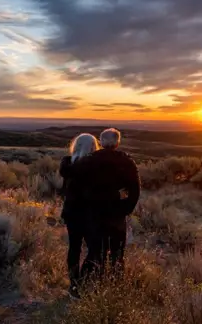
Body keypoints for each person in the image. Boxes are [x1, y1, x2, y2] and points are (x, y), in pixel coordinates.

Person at [77, 128, 141, 281]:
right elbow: (135, 189)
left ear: (101, 141)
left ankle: (89, 282)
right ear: (117, 142)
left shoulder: (89, 160)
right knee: (117, 251)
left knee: (95, 249)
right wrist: (126, 208)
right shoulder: (126, 161)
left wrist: (85, 206)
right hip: (117, 212)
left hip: (94, 212)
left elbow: (79, 186)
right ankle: (115, 282)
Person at [59, 132, 100, 299]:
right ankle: (82, 282)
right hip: (89, 214)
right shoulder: (94, 165)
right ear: (92, 147)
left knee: (74, 248)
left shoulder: (67, 164)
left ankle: (74, 284)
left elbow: (64, 190)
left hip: (71, 213)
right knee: (95, 249)